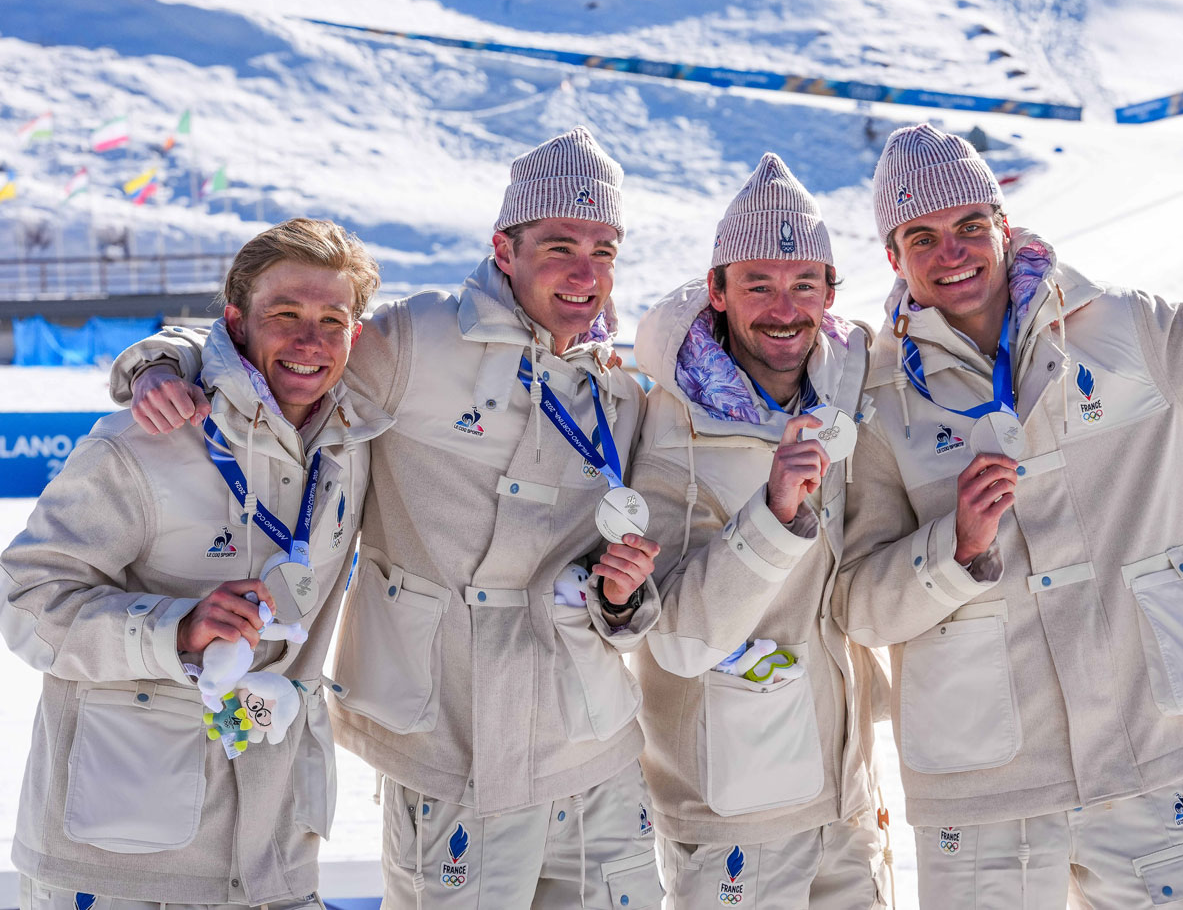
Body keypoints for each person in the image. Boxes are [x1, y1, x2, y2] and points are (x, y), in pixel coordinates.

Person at [834, 122, 1183, 908]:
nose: (951, 251)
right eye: (920, 236)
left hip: (1142, 753)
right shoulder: (880, 400)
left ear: (1004, 225)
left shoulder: (1125, 331)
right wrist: (954, 549)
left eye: (969, 225)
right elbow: (859, 603)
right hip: (986, 785)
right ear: (892, 258)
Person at [110, 128, 665, 909]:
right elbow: (281, 349)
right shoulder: (415, 340)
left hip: (593, 750)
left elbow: (626, 586)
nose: (585, 272)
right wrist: (159, 360)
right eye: (560, 244)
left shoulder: (613, 388)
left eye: (604, 250)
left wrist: (623, 596)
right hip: (451, 750)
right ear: (503, 249)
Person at [0, 218, 390, 910]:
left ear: (355, 333)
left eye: (332, 319)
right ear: (237, 323)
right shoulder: (143, 441)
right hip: (120, 864)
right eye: (285, 315)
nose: (310, 341)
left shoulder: (354, 446)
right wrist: (173, 631)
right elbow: (25, 599)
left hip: (273, 860)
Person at [629, 154, 891, 908]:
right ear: (717, 290)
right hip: (733, 804)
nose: (784, 307)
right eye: (758, 284)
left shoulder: (849, 377)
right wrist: (774, 515)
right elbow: (675, 640)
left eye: (805, 283)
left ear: (831, 294)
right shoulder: (671, 426)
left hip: (848, 790)